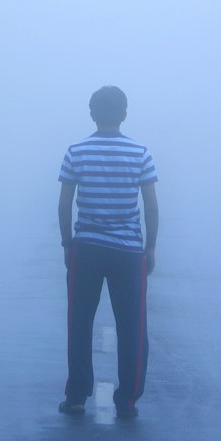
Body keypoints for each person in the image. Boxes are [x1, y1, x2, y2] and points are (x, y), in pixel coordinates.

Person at [57, 85, 159, 419]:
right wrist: (150, 247)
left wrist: (67, 243)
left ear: (91, 114)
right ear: (125, 114)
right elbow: (151, 206)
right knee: (132, 326)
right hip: (128, 252)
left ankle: (76, 396)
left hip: (86, 247)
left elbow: (64, 202)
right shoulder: (140, 153)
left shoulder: (76, 151)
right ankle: (127, 400)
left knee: (79, 321)